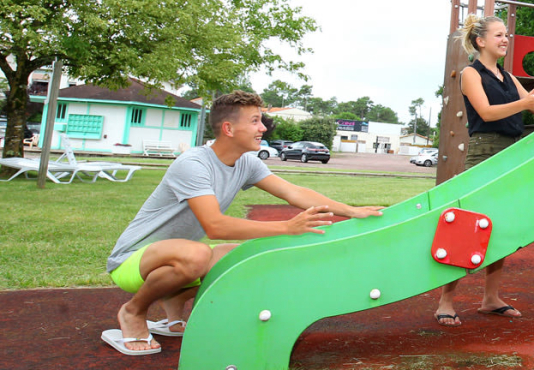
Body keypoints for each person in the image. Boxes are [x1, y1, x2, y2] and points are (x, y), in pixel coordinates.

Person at [101, 91, 383, 356]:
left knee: (241, 257)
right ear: (228, 128)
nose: (263, 128)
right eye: (255, 121)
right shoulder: (193, 163)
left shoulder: (247, 163)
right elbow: (215, 226)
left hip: (171, 258)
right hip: (131, 261)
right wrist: (286, 227)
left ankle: (174, 300)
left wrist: (351, 211)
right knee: (197, 254)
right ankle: (133, 311)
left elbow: (293, 192)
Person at [435, 14, 534, 327]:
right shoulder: (471, 74)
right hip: (485, 152)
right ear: (480, 41)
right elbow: (486, 112)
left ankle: (490, 298)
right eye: (498, 35)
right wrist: (526, 104)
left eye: (506, 35)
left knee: (501, 225)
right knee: (468, 225)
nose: (505, 39)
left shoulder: (508, 77)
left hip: (513, 152)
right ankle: (446, 301)